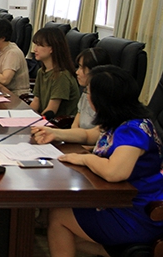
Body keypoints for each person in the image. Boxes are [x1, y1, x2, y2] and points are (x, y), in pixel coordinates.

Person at [31, 65, 163, 257]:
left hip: (138, 213)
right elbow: (88, 135)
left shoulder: (132, 131)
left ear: (102, 99)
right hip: (123, 202)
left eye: (89, 92)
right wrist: (54, 133)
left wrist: (85, 159)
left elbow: (114, 172)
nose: (87, 96)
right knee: (66, 224)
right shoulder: (122, 120)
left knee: (59, 216)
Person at [29, 27, 80, 116]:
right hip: (44, 119)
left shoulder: (61, 75)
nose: (35, 49)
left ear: (52, 49)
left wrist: (35, 121)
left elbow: (51, 110)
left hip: (58, 122)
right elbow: (36, 102)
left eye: (39, 45)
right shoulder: (41, 72)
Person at [71, 47, 111, 129]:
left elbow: (97, 133)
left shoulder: (106, 102)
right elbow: (76, 123)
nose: (77, 72)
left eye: (82, 68)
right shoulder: (86, 91)